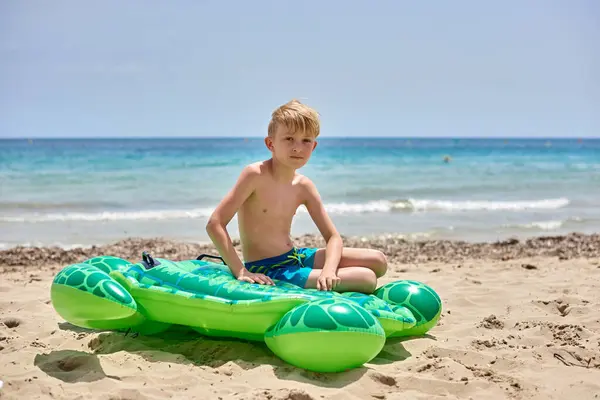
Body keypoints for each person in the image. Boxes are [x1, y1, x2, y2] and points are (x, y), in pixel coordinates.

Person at [206, 99, 387, 293]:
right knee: (366, 278)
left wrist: (329, 270)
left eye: (305, 141)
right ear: (270, 143)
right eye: (289, 139)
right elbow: (215, 224)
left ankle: (317, 274)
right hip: (271, 269)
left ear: (314, 146)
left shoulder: (304, 186)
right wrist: (241, 271)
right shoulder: (255, 175)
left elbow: (333, 237)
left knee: (378, 261)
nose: (297, 148)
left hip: (295, 256)